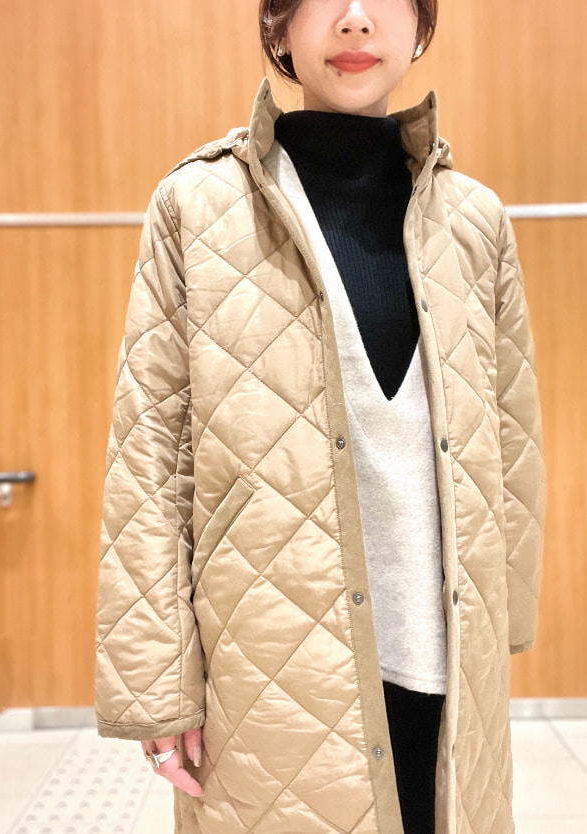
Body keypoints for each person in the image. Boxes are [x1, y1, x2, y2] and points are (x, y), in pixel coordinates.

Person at [94, 1, 547, 833]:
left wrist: (503, 622)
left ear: (421, 25)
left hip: (449, 666)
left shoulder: (475, 220)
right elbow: (151, 454)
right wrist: (156, 679)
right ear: (278, 24)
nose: (355, 19)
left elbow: (512, 437)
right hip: (271, 673)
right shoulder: (198, 207)